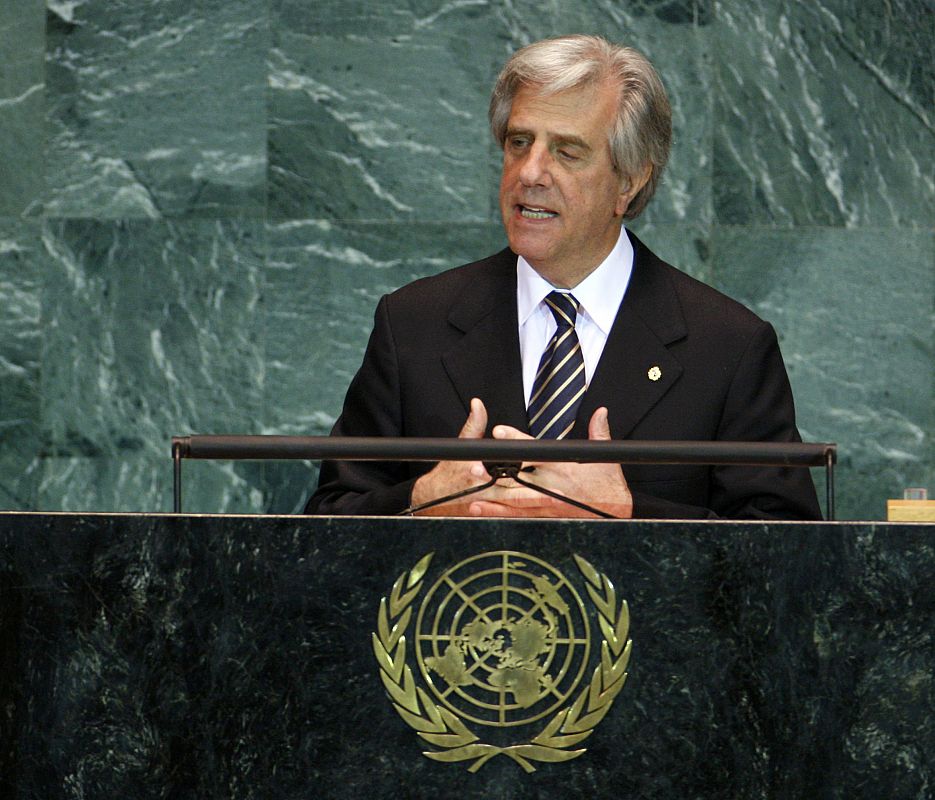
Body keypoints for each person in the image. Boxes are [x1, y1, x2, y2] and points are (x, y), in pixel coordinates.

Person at [305, 34, 821, 520]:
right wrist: (421, 499)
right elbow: (321, 526)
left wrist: (628, 513)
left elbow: (788, 557)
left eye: (567, 152)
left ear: (629, 180)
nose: (530, 172)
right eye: (519, 142)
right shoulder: (413, 324)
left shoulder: (728, 348)